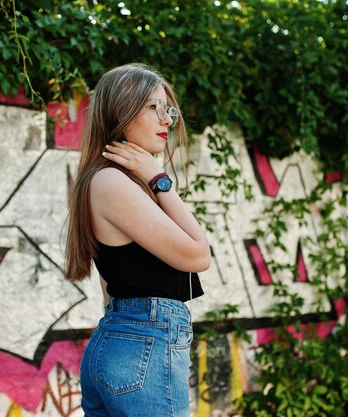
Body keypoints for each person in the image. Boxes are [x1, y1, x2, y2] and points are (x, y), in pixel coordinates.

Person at [64, 63, 211, 417]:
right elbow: (198, 254)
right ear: (121, 110)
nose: (167, 120)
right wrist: (160, 180)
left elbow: (108, 281)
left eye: (168, 109)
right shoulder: (113, 183)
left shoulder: (108, 181)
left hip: (125, 344)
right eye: (154, 107)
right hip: (143, 346)